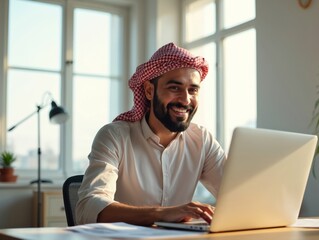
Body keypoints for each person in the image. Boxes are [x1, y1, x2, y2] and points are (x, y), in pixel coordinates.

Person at [76, 42, 226, 226]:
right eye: (174, 88)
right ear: (148, 90)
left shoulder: (202, 140)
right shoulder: (114, 136)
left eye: (192, 90)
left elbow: (238, 195)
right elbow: (88, 207)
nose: (186, 99)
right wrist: (162, 214)